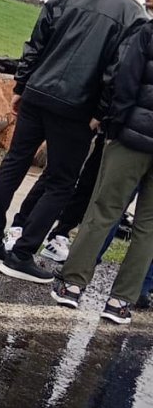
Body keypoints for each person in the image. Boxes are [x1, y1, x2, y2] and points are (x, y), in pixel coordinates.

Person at [0, 0, 144, 282]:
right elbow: (117, 71)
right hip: (77, 109)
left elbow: (36, 44)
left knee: (14, 164)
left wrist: (22, 86)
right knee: (61, 182)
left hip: (37, 94)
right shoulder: (133, 16)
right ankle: (21, 255)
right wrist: (101, 112)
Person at [6, 0, 153, 263]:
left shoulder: (138, 20)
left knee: (88, 182)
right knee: (59, 174)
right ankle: (21, 226)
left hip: (116, 119)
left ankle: (60, 233)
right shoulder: (138, 20)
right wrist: (104, 112)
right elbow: (119, 72)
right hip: (101, 113)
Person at [52, 18, 153, 324]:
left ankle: (72, 285)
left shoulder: (148, 32)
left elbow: (126, 78)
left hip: (131, 136)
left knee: (104, 209)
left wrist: (114, 124)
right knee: (149, 227)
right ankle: (121, 302)